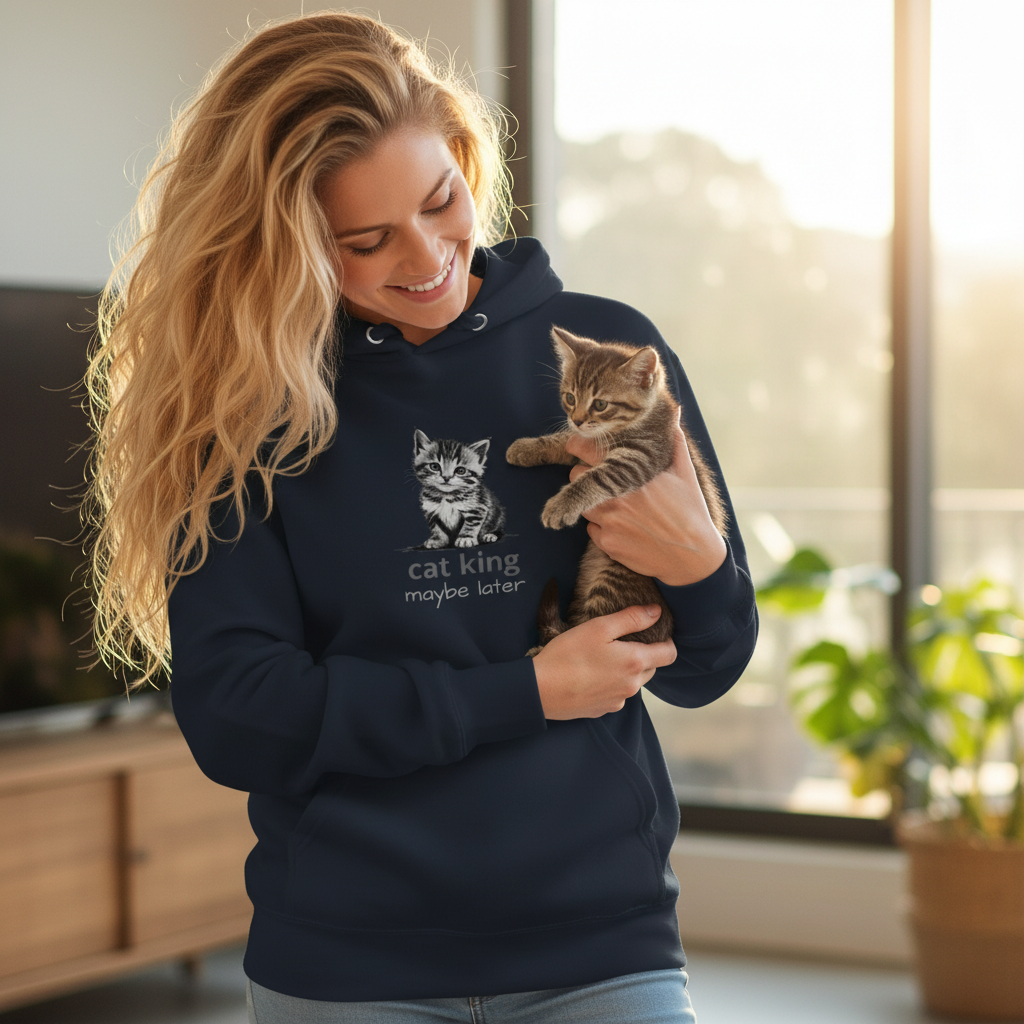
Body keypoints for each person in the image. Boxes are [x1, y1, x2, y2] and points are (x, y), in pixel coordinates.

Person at [84, 11, 757, 1023]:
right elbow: (238, 715)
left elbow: (709, 666)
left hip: (602, 946)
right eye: (366, 240)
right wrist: (519, 693)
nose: (428, 255)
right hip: (347, 965)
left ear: (464, 160)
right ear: (291, 242)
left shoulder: (605, 355)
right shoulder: (244, 412)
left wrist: (699, 565)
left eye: (442, 201)